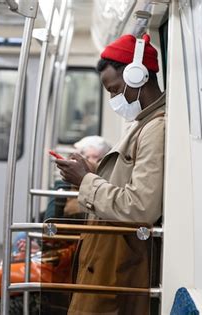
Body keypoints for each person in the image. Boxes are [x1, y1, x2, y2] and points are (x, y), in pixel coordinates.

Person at [56, 33, 165, 315]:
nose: (115, 99)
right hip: (113, 256)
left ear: (138, 76)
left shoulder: (156, 128)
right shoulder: (143, 124)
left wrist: (85, 180)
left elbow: (141, 206)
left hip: (124, 262)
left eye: (116, 90)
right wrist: (93, 172)